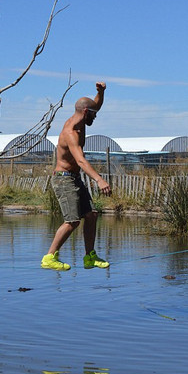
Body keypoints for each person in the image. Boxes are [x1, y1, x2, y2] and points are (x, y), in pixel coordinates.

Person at [41, 82, 112, 271]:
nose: (96, 117)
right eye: (94, 114)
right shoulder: (71, 132)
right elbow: (80, 161)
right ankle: (49, 257)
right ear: (86, 112)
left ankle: (89, 257)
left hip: (74, 178)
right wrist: (99, 179)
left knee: (91, 214)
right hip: (63, 179)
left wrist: (101, 92)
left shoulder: (82, 120)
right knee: (72, 221)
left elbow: (95, 104)